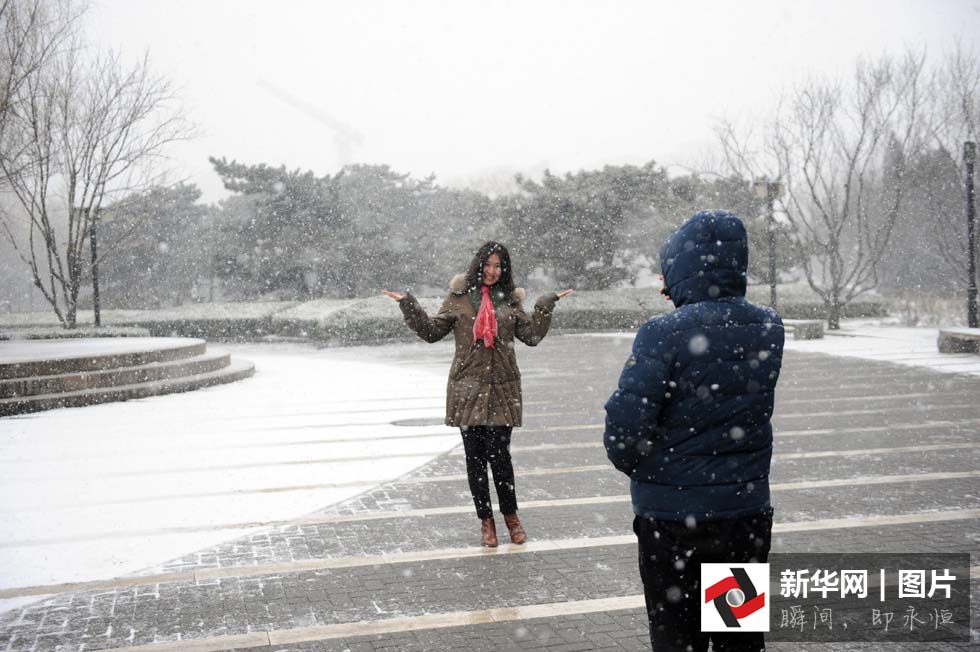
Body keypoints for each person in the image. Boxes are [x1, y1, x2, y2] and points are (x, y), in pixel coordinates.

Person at [604, 211, 784, 652]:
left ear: (681, 269)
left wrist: (650, 472)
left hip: (673, 522)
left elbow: (625, 430)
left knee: (678, 639)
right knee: (738, 638)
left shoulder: (661, 333)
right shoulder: (768, 326)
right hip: (743, 512)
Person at [383, 241, 572, 547]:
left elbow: (531, 336)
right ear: (478, 265)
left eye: (499, 266)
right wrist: (408, 305)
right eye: (488, 265)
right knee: (475, 460)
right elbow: (432, 332)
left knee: (500, 459)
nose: (492, 271)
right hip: (467, 388)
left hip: (503, 389)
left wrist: (545, 305)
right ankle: (486, 522)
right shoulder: (458, 299)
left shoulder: (510, 301)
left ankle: (511, 517)